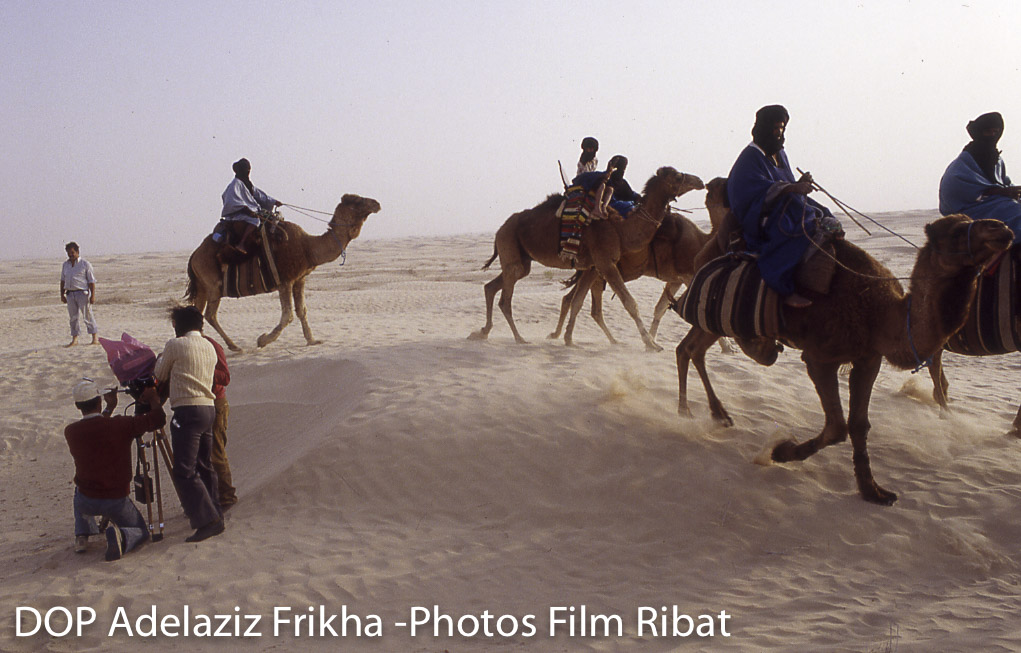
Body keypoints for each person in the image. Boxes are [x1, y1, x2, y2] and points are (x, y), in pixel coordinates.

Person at [726, 105, 843, 307]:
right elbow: (754, 192)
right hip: (760, 214)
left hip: (785, 203)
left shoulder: (779, 153)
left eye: (782, 129)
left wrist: (798, 183)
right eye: (775, 129)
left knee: (821, 213)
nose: (779, 134)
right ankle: (782, 286)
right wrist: (792, 188)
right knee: (799, 228)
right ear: (763, 128)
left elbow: (784, 182)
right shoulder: (749, 158)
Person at [64, 379, 165, 561]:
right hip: (115, 499)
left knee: (78, 487)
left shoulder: (71, 432)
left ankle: (82, 534)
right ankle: (123, 538)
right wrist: (153, 399)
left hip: (86, 499)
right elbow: (158, 419)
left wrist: (109, 409)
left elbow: (97, 429)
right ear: (99, 401)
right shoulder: (121, 425)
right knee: (141, 531)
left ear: (78, 406)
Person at [153, 306, 224, 542]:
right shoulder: (209, 346)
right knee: (205, 464)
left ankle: (207, 520)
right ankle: (215, 512)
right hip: (208, 409)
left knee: (184, 470)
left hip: (187, 410)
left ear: (178, 326)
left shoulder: (175, 345)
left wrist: (160, 359)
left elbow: (160, 374)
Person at [939, 112, 1021, 240]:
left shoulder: (996, 159)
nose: (993, 136)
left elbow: (1003, 182)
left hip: (997, 203)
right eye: (988, 132)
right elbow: (954, 192)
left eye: (996, 132)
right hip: (970, 208)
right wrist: (998, 192)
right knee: (1016, 212)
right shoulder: (964, 162)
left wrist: (1011, 191)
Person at [221, 158, 282, 255]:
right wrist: (247, 210)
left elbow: (260, 195)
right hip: (235, 214)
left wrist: (274, 201)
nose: (248, 172)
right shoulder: (235, 185)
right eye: (247, 170)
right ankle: (241, 243)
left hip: (248, 211)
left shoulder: (247, 184)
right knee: (255, 221)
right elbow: (232, 202)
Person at [204, 334, 238, 509]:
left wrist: (202, 367)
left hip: (215, 402)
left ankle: (226, 497)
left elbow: (225, 377)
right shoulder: (179, 346)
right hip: (197, 404)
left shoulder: (212, 345)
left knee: (216, 452)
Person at [59, 242, 99, 347]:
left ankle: (94, 338)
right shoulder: (65, 265)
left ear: (77, 252)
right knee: (73, 318)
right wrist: (62, 294)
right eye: (68, 253)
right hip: (70, 294)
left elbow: (91, 281)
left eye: (72, 252)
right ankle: (75, 339)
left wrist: (93, 296)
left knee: (88, 315)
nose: (70, 255)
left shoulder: (85, 264)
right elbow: (63, 280)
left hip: (82, 293)